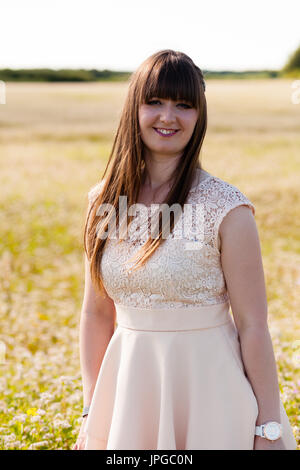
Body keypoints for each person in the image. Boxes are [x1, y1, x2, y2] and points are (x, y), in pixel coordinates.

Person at [72, 50, 297, 450]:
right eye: (154, 101)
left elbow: (253, 326)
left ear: (199, 115)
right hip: (128, 396)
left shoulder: (228, 207)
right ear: (133, 107)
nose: (168, 117)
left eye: (184, 105)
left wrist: (268, 427)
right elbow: (95, 313)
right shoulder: (102, 201)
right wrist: (93, 410)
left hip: (213, 396)